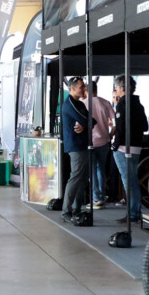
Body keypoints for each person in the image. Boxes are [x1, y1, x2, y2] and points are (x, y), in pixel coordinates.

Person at [113, 75, 149, 225]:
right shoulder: (138, 105)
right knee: (133, 180)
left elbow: (120, 127)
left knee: (128, 181)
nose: (115, 90)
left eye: (116, 87)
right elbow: (145, 126)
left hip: (124, 147)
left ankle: (133, 212)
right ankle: (135, 210)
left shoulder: (122, 104)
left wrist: (115, 143)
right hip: (137, 146)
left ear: (122, 88)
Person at [60, 77, 91, 225]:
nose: (83, 89)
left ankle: (77, 208)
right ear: (72, 88)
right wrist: (86, 123)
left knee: (82, 178)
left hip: (82, 144)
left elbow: (90, 120)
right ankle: (66, 211)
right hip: (75, 145)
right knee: (76, 177)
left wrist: (85, 125)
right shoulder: (70, 104)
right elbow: (87, 119)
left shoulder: (79, 103)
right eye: (81, 87)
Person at [87, 82, 116, 209]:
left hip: (89, 142)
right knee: (101, 169)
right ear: (96, 89)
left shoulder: (83, 104)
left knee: (91, 170)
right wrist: (110, 135)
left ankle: (96, 198)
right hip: (104, 141)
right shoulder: (106, 103)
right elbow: (115, 123)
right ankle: (102, 195)